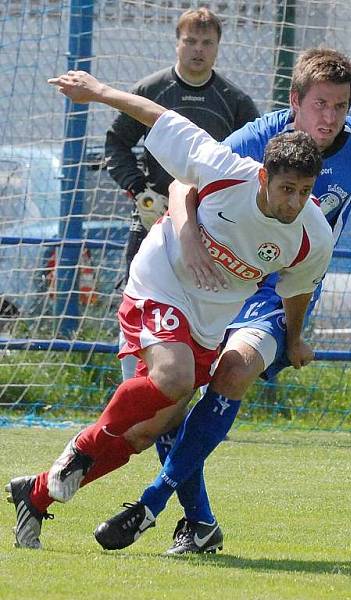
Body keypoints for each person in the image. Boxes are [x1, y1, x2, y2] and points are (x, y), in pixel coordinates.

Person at [93, 47, 351, 554]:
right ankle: (201, 524)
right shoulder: (257, 141)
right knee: (170, 403)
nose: (330, 117)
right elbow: (186, 181)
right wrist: (189, 240)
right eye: (320, 104)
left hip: (282, 292)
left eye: (341, 106)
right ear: (295, 101)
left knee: (235, 371)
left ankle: (152, 502)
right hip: (223, 281)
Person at [6, 69, 332, 550]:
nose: (295, 202)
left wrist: (297, 339)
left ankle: (34, 494)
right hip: (159, 282)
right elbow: (160, 116)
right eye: (287, 189)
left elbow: (297, 292)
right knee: (174, 378)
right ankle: (83, 446)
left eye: (305, 192)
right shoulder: (224, 169)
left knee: (143, 434)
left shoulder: (312, 235)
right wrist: (97, 91)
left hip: (208, 321)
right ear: (263, 176)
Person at [105, 7, 260, 380]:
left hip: (213, 226)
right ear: (177, 42)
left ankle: (194, 395)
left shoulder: (234, 102)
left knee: (209, 310)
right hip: (152, 219)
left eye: (207, 42)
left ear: (218, 47)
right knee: (138, 304)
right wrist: (139, 190)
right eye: (190, 40)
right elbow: (116, 144)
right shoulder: (151, 91)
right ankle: (133, 391)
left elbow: (253, 165)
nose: (198, 49)